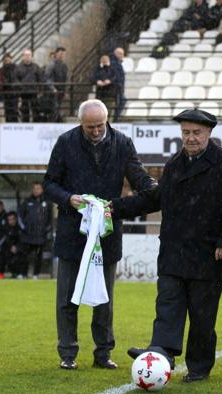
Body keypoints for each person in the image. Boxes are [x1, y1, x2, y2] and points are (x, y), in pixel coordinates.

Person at [116, 108, 222, 382]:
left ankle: (199, 367)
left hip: (208, 253)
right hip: (173, 252)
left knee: (202, 316)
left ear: (209, 133)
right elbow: (155, 199)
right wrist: (114, 208)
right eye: (186, 132)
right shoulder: (175, 164)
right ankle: (159, 354)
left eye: (196, 133)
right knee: (167, 306)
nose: (190, 138)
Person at [43, 99, 155, 370]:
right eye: (89, 127)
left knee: (104, 298)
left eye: (100, 126)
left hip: (106, 233)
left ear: (107, 121)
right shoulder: (66, 142)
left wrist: (151, 186)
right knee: (67, 297)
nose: (95, 131)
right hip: (72, 231)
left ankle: (103, 353)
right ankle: (67, 353)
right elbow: (49, 183)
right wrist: (68, 198)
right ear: (81, 123)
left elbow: (137, 174)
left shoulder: (123, 143)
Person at [18, 183, 52, 280]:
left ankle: (35, 275)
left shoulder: (47, 202)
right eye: (34, 188)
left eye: (38, 188)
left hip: (40, 236)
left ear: (42, 189)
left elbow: (50, 220)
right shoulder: (27, 202)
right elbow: (19, 215)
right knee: (24, 256)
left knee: (38, 256)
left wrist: (45, 230)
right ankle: (23, 274)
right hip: (27, 235)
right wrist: (24, 228)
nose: (36, 190)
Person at [15, 49, 43, 122]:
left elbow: (40, 79)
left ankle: (35, 123)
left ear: (31, 56)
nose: (27, 57)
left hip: (34, 92)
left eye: (29, 55)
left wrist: (40, 90)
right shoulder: (18, 67)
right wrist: (20, 88)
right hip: (23, 93)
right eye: (26, 55)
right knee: (24, 111)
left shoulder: (36, 67)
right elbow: (16, 79)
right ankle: (25, 124)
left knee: (35, 110)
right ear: (23, 56)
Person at [44, 47, 68, 122]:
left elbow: (66, 79)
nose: (62, 56)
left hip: (61, 91)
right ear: (56, 54)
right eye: (61, 54)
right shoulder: (51, 65)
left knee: (58, 109)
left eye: (63, 54)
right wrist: (52, 88)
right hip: (53, 92)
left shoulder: (64, 66)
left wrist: (65, 91)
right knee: (54, 109)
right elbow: (47, 78)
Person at [91, 55, 117, 119]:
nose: (104, 62)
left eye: (106, 60)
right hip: (100, 93)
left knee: (108, 111)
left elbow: (116, 78)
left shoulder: (112, 69)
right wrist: (97, 81)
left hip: (110, 93)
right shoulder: (97, 69)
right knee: (99, 111)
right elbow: (92, 78)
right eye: (103, 60)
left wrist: (110, 81)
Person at [2, 211, 25, 278]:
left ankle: (21, 273)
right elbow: (5, 239)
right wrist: (11, 246)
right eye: (9, 220)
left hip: (19, 248)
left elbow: (22, 239)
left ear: (16, 219)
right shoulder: (6, 228)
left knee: (21, 255)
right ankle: (13, 273)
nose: (11, 221)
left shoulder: (20, 228)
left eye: (12, 219)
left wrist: (17, 247)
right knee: (5, 254)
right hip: (9, 248)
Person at [110, 47, 126, 121]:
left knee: (121, 101)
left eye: (123, 54)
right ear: (117, 54)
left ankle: (115, 118)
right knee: (121, 101)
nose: (122, 56)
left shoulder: (116, 63)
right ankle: (115, 119)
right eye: (121, 54)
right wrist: (119, 85)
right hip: (116, 88)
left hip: (118, 88)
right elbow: (116, 76)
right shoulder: (114, 63)